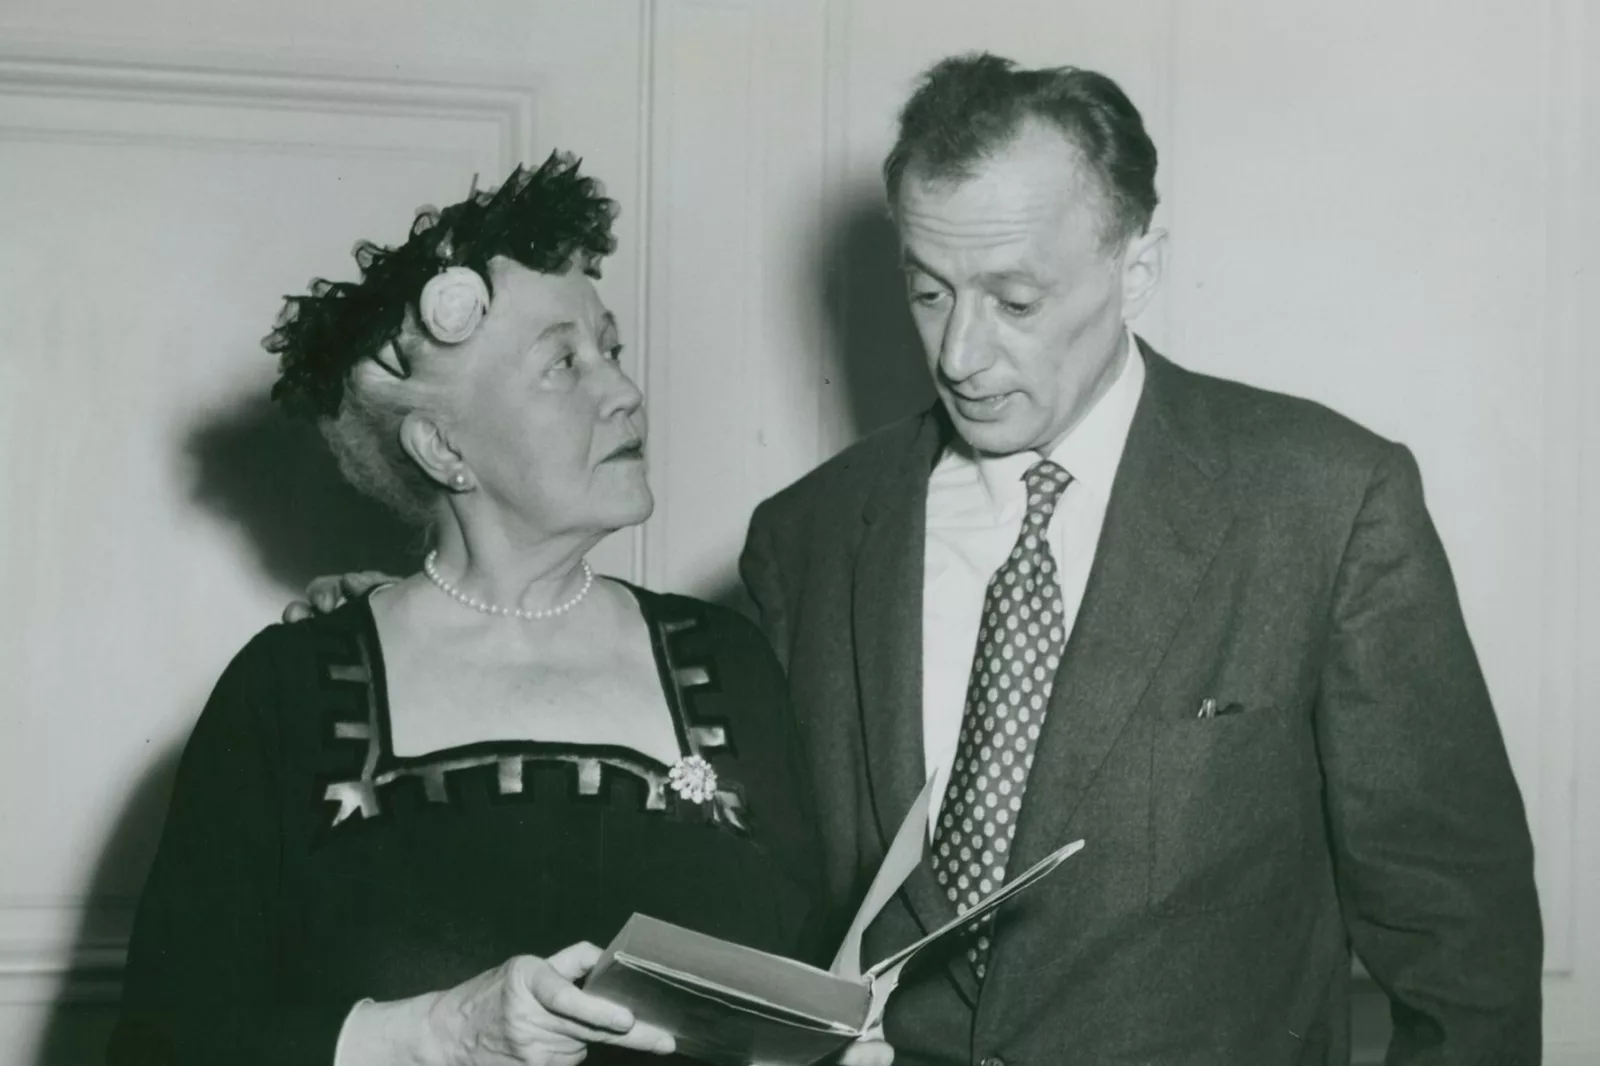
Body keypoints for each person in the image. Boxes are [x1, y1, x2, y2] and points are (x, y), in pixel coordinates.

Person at [292, 55, 1544, 1064]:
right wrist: (422, 617)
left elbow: (1461, 945)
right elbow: (705, 848)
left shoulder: (1323, 501)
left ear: (1137, 267)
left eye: (1013, 296)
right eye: (929, 289)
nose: (959, 353)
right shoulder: (811, 536)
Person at [112, 152, 891, 1066]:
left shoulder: (727, 661)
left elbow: (795, 985)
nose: (623, 391)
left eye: (611, 348)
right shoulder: (288, 691)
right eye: (562, 363)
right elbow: (167, 1041)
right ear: (443, 448)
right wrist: (439, 1034)